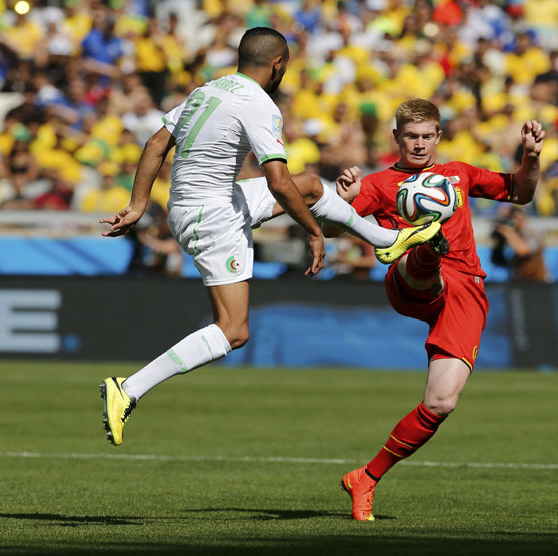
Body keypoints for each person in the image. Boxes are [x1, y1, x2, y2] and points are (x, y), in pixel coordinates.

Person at [98, 28, 441, 447]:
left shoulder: (207, 91)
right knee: (233, 330)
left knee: (313, 184)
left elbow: (155, 144)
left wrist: (136, 205)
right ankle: (128, 389)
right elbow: (278, 182)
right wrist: (314, 232)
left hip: (200, 203)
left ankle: (386, 238)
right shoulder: (259, 104)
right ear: (277, 64)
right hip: (214, 216)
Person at [331, 99, 543, 520]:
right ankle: (423, 244)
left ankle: (366, 478)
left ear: (439, 136)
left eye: (428, 136)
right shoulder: (377, 184)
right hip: (413, 282)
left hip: (466, 290)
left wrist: (531, 158)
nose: (420, 144)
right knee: (420, 257)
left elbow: (520, 192)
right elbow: (332, 227)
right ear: (397, 138)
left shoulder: (459, 173)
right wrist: (342, 200)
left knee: (441, 402)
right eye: (412, 136)